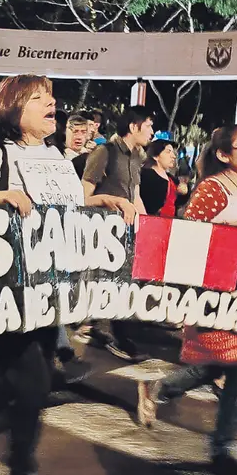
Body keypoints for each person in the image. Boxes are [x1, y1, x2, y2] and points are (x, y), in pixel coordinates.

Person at [0, 73, 134, 475]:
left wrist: (102, 202)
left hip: (52, 290)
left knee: (27, 378)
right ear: (14, 108)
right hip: (9, 289)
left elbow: (67, 209)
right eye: (38, 98)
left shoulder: (55, 155)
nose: (50, 104)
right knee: (34, 380)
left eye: (50, 98)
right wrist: (1, 195)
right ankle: (23, 471)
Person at [137, 125, 237, 475]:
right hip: (213, 299)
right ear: (223, 154)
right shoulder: (212, 188)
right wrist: (236, 227)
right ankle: (223, 451)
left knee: (218, 367)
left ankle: (158, 389)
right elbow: (190, 234)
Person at [80, 105, 153, 362]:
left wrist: (148, 225)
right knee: (113, 282)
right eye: (148, 126)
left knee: (122, 283)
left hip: (126, 231)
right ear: (133, 126)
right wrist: (109, 201)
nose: (152, 132)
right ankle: (113, 335)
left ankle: (104, 331)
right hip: (103, 231)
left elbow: (135, 195)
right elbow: (82, 196)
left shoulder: (137, 156)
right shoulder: (105, 152)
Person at [139, 139, 180, 217]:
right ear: (155, 156)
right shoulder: (145, 175)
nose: (173, 156)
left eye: (173, 152)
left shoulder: (172, 179)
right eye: (168, 152)